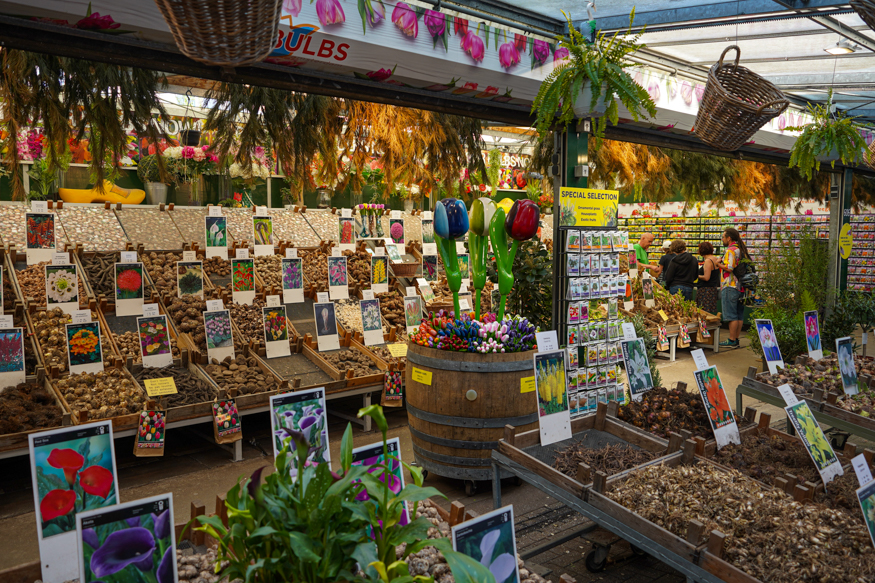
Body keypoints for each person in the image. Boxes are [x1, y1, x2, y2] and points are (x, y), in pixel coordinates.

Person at [717, 227, 750, 349]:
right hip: (741, 286)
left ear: (729, 238)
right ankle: (736, 339)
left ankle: (731, 340)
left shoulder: (730, 250)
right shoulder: (741, 250)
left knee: (731, 315)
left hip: (730, 285)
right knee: (739, 314)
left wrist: (718, 263)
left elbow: (729, 268)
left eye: (723, 237)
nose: (722, 239)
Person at [696, 242, 720, 314]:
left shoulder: (708, 261)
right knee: (709, 312)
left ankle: (704, 325)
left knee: (703, 312)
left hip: (705, 291)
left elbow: (706, 277)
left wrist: (696, 275)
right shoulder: (715, 259)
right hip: (712, 289)